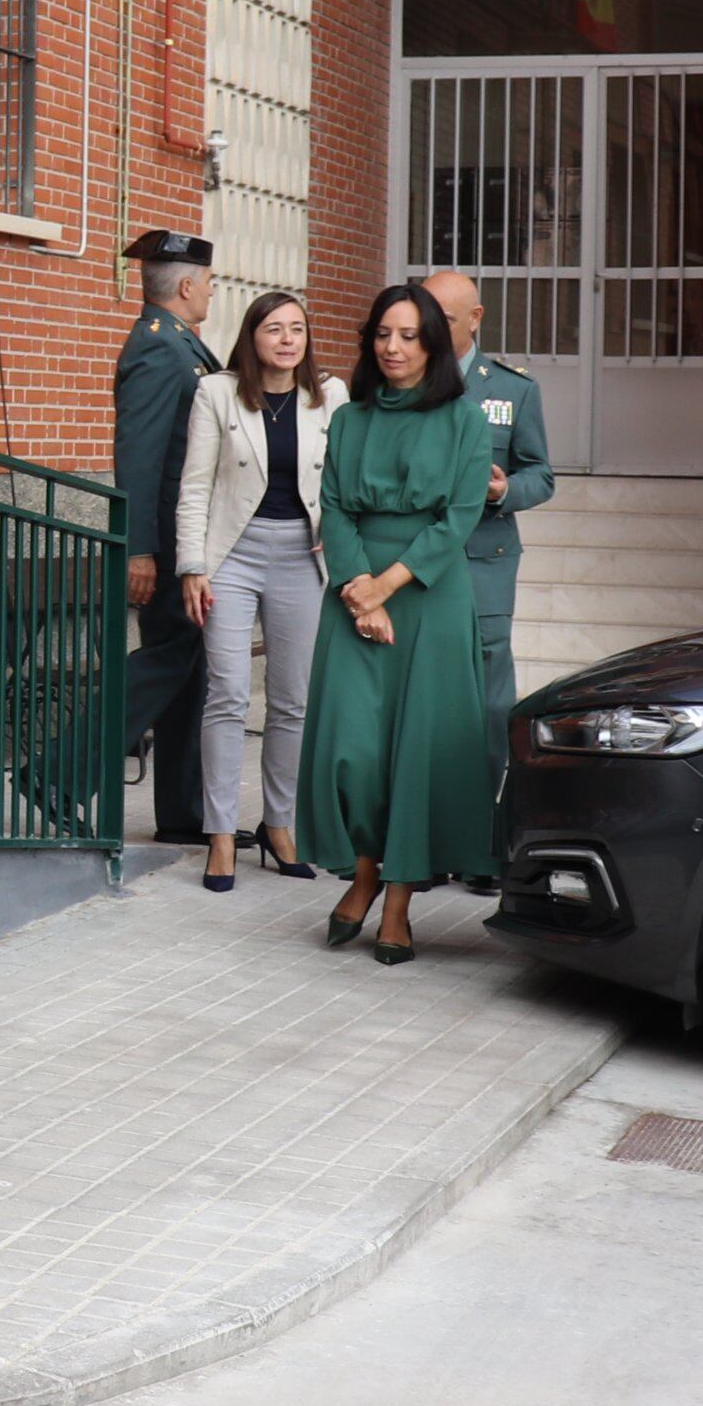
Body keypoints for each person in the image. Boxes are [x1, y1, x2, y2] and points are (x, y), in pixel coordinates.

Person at [299, 282, 501, 962]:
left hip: (429, 595)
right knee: (351, 751)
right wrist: (360, 591)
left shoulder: (465, 420)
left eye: (409, 335)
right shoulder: (350, 417)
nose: (393, 346)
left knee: (416, 752)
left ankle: (395, 900)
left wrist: (384, 588)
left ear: (433, 343)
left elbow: (460, 516)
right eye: (383, 333)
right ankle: (362, 870)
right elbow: (333, 505)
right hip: (355, 593)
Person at [175, 289, 344, 891]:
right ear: (253, 336)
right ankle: (221, 835)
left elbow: (344, 482)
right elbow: (195, 486)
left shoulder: (331, 395)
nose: (287, 339)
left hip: (304, 555)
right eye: (274, 328)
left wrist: (341, 537)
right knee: (226, 693)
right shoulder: (217, 392)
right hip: (233, 556)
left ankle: (280, 826)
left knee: (293, 699)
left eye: (297, 328)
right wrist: (192, 565)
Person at [109, 231, 218, 848]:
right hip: (171, 547)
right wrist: (140, 549)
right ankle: (55, 769)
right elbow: (140, 459)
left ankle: (183, 813)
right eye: (206, 281)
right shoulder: (160, 351)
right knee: (170, 662)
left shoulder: (181, 346)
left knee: (188, 672)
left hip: (184, 543)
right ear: (184, 286)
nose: (209, 290)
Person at [422, 267, 556, 748]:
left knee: (488, 686)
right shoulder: (401, 382)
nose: (429, 331)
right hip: (413, 555)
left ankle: (491, 792)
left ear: (475, 318)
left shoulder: (512, 388)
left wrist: (503, 492)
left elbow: (540, 475)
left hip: (483, 557)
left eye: (446, 319)